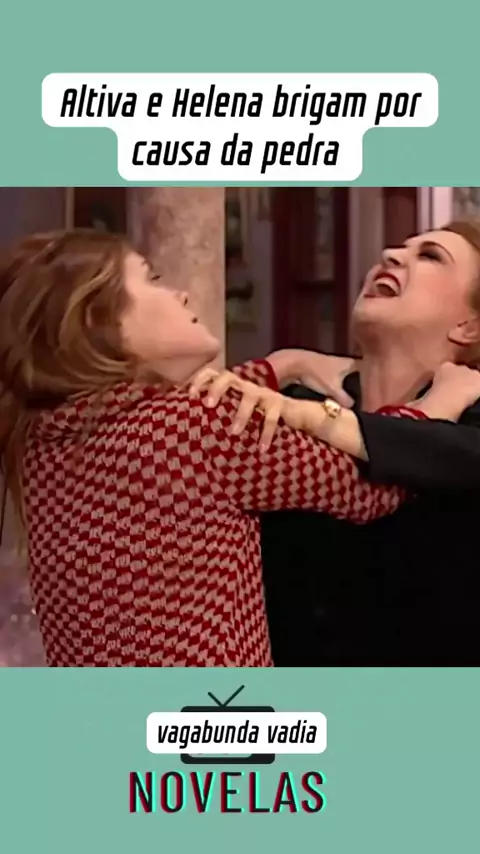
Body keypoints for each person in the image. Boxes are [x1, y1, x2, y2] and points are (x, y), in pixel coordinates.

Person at [0, 228, 434, 668]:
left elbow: (169, 427)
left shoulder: (39, 439)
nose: (181, 295)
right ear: (101, 323)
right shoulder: (197, 429)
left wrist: (281, 365)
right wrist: (439, 404)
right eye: (152, 279)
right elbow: (370, 487)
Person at [191, 219, 480, 666]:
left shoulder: (470, 417)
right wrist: (283, 364)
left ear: (469, 326)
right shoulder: (293, 405)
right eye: (400, 247)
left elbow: (447, 456)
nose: (390, 254)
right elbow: (181, 442)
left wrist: (321, 421)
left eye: (430, 256)